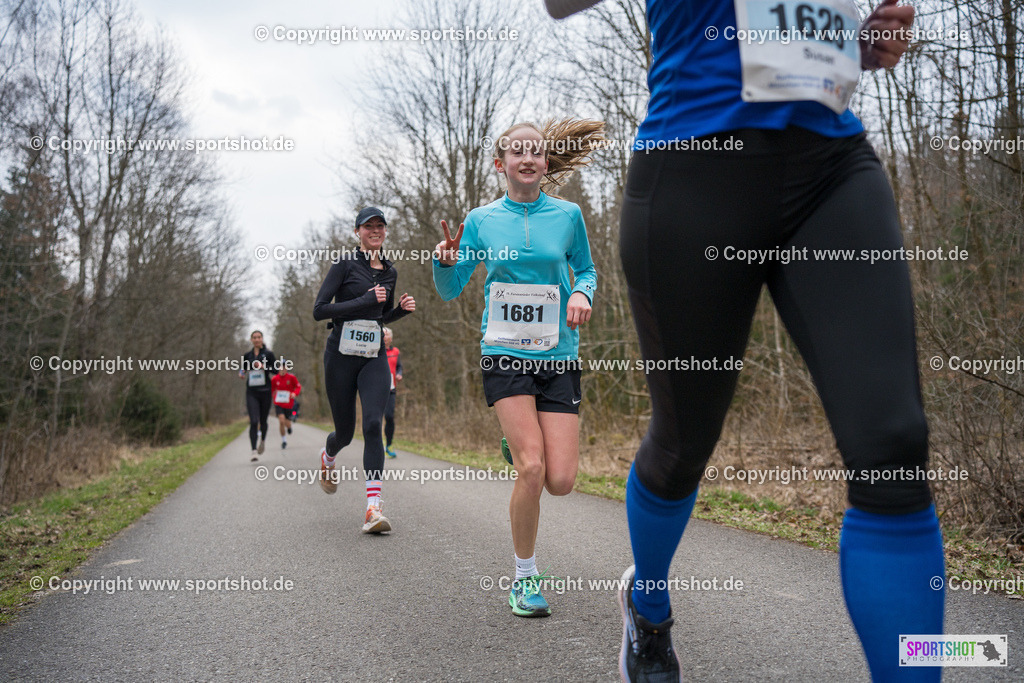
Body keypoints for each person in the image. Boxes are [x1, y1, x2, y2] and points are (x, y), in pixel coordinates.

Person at [545, 1, 943, 681]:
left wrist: (858, 36)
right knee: (682, 443)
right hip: (693, 168)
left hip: (833, 163)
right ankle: (648, 603)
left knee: (894, 447)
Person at [433, 119, 600, 617]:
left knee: (561, 480)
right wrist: (445, 261)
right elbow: (450, 288)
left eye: (536, 152)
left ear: (546, 162)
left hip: (558, 354)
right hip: (505, 354)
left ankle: (519, 439)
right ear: (501, 162)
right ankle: (524, 579)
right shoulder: (481, 220)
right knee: (532, 469)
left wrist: (580, 292)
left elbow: (587, 269)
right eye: (517, 152)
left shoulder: (568, 215)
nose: (527, 159)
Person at [313, 207, 415, 534]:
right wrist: (363, 299)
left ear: (385, 232)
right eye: (368, 226)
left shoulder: (390, 271)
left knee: (373, 423)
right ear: (357, 231)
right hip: (340, 355)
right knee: (344, 432)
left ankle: (373, 508)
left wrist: (398, 311)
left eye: (380, 226)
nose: (375, 230)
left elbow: (378, 316)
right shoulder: (344, 265)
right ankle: (328, 456)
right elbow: (320, 310)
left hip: (373, 355)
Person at [239, 330, 277, 461]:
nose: (256, 339)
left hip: (266, 391)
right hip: (252, 392)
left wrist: (264, 366)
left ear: (262, 339)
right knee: (254, 421)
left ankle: (263, 441)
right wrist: (242, 373)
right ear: (251, 340)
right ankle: (253, 450)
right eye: (254, 337)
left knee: (263, 420)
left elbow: (276, 370)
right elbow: (243, 368)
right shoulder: (247, 355)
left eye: (259, 337)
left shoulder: (268, 354)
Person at [382, 327, 403, 458]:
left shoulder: (395, 351)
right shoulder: (375, 351)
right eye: (382, 334)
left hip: (391, 389)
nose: (384, 337)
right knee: (375, 420)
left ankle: (389, 444)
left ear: (391, 338)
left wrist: (399, 374)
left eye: (387, 334)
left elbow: (399, 366)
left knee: (389, 417)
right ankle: (376, 446)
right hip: (376, 389)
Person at [271, 368, 301, 450]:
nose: (282, 370)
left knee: (287, 422)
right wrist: (273, 396)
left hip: (288, 404)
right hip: (278, 403)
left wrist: (295, 393)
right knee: (281, 421)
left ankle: (289, 427)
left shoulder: (291, 377)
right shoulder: (274, 379)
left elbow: (298, 387)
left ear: (286, 369)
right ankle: (284, 440)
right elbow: (272, 389)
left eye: (284, 368)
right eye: (281, 368)